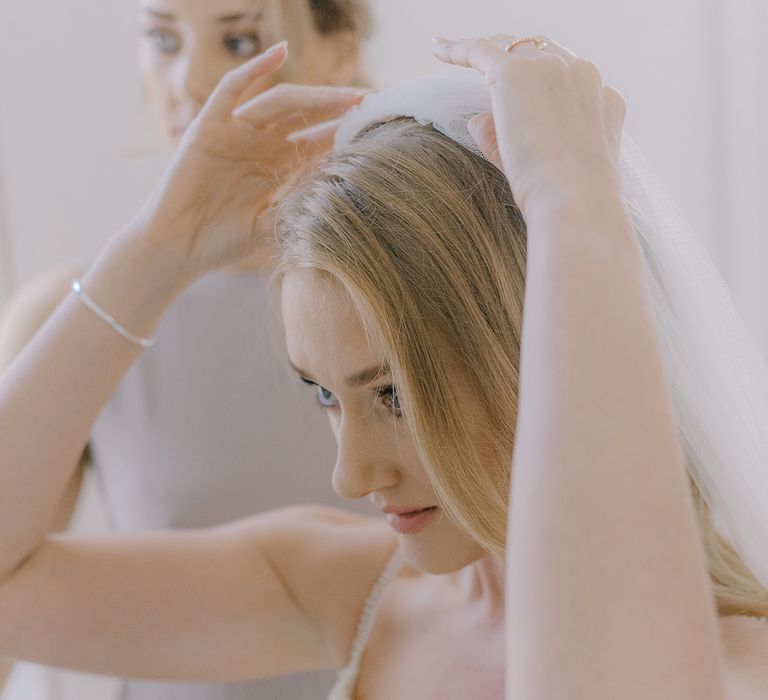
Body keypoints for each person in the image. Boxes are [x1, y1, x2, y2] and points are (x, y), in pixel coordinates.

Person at [1, 33, 768, 699]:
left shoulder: (735, 667)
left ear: (527, 347)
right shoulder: (358, 596)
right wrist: (158, 250)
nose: (352, 475)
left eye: (394, 395)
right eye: (324, 395)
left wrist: (574, 208)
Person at [0, 1, 372, 698]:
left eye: (238, 41)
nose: (191, 80)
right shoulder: (72, 318)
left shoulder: (425, 301)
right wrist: (156, 258)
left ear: (340, 53)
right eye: (162, 40)